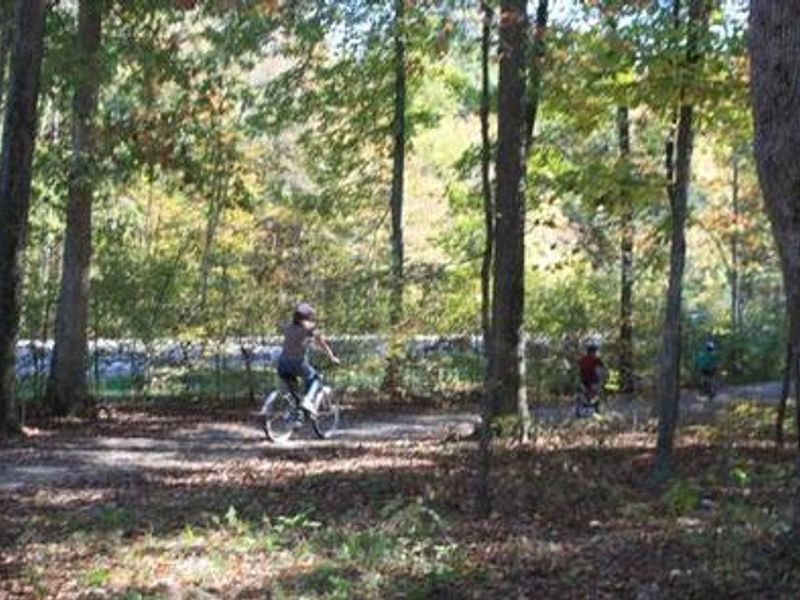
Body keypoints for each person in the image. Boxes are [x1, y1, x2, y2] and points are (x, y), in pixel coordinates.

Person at [277, 302, 339, 416]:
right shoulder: (309, 328)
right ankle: (308, 400)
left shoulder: (288, 327)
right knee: (316, 378)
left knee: (295, 393)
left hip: (282, 364)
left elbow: (298, 342)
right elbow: (321, 343)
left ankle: (297, 415)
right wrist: (331, 356)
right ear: (307, 317)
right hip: (297, 363)